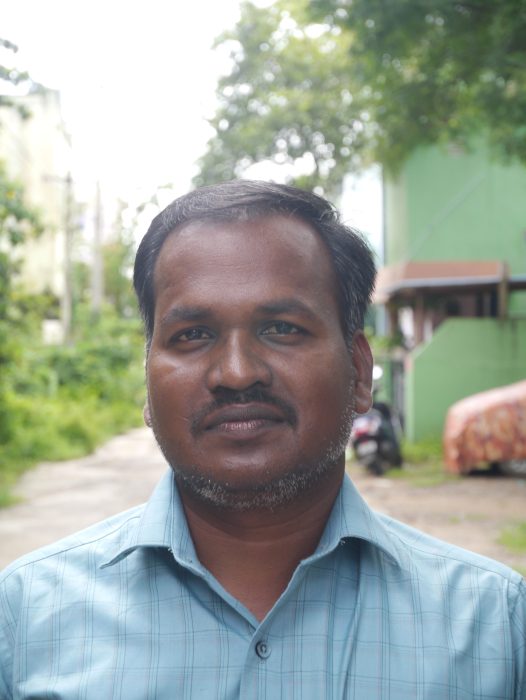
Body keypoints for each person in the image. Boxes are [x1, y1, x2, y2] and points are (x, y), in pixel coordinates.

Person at [0, 180, 524, 699]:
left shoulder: (495, 628)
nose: (236, 372)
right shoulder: (26, 618)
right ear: (147, 380)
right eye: (192, 335)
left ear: (359, 372)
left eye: (282, 328)